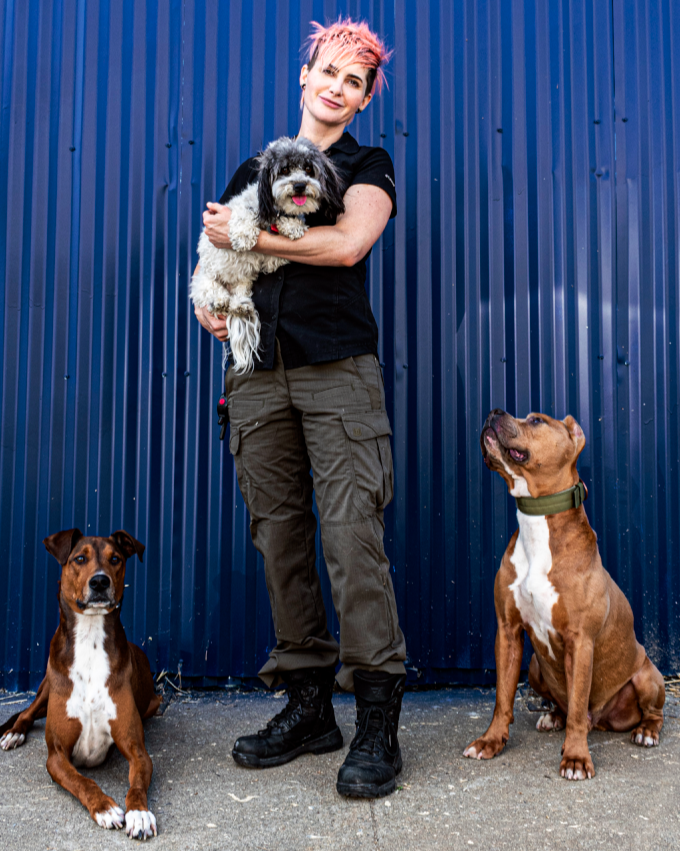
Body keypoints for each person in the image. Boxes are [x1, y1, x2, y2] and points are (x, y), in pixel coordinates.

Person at [194, 18, 407, 799]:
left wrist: (259, 237)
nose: (337, 87)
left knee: (354, 540)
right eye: (329, 71)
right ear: (306, 74)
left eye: (355, 81)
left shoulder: (365, 164)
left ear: (362, 98)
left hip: (336, 371)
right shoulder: (254, 165)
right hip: (255, 372)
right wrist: (208, 309)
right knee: (279, 538)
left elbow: (349, 244)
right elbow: (216, 251)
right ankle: (310, 705)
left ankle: (378, 717)